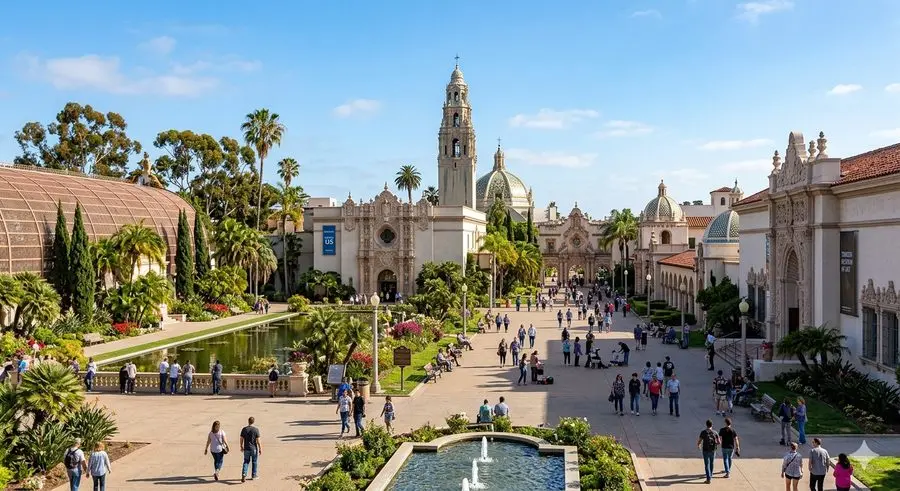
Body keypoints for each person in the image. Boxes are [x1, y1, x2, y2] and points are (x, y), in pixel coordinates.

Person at [239, 416, 262, 482]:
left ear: (248, 421)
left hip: (246, 448)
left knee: (246, 461)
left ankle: (244, 474)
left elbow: (241, 438)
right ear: (253, 422)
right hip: (254, 448)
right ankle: (254, 475)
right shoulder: (256, 430)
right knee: (254, 461)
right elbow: (258, 440)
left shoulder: (244, 429)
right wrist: (260, 448)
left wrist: (241, 446)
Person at [697, 419, 720, 484]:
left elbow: (699, 441)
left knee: (707, 465)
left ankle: (708, 479)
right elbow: (719, 442)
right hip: (713, 450)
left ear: (706, 425)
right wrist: (715, 443)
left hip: (705, 450)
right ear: (712, 425)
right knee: (711, 463)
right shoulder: (715, 432)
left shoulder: (703, 432)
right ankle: (710, 475)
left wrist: (698, 445)